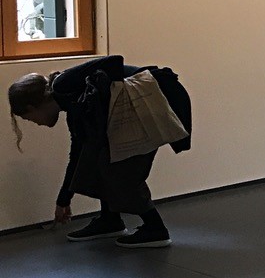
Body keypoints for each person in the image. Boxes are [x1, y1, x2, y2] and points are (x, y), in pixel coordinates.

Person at [9, 55, 191, 248]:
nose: (36, 123)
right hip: (150, 100)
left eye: (29, 118)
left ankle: (155, 229)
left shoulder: (63, 84)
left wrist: (108, 89)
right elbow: (78, 154)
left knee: (119, 169)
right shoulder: (73, 107)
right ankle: (110, 220)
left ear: (32, 106)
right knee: (96, 159)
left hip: (158, 96)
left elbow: (114, 61)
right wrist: (64, 200)